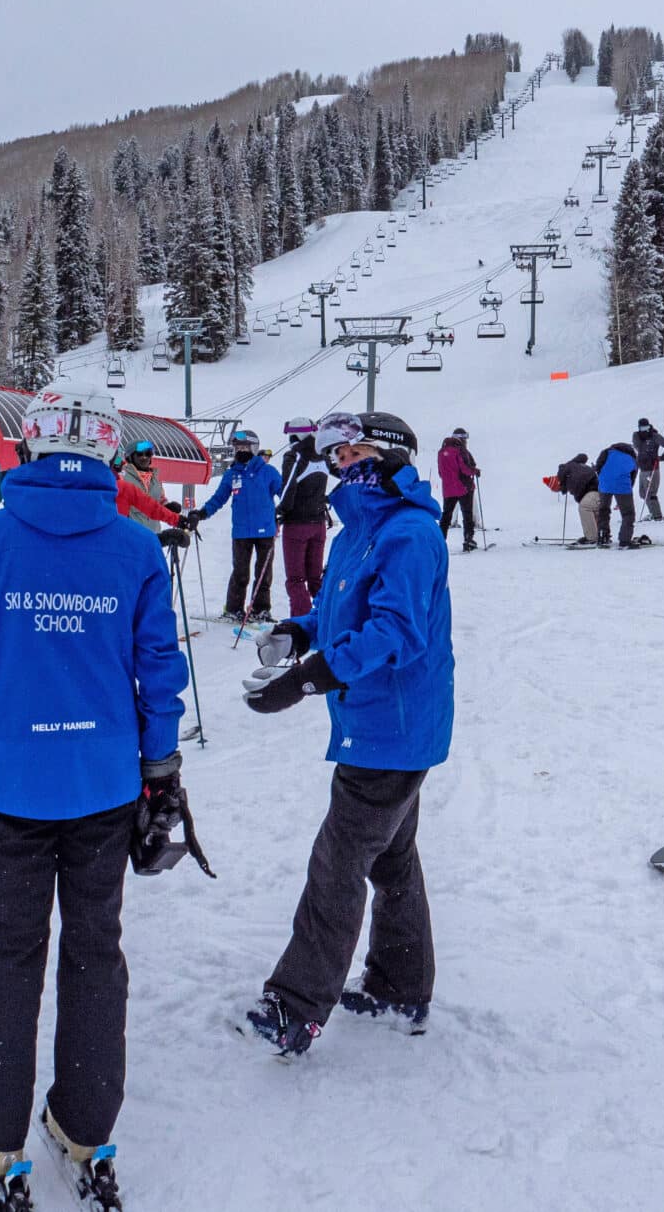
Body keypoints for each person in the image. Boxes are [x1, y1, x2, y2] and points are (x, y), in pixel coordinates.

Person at [0, 385, 188, 1208]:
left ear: (28, 449)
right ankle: (83, 1122)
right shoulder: (137, 547)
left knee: (7, 955)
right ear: (109, 454)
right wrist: (161, 769)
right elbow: (160, 674)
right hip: (103, 786)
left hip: (13, 786)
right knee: (93, 954)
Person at [237, 411, 453, 1057]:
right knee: (391, 860)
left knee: (337, 865)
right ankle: (399, 987)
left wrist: (307, 678)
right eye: (334, 455)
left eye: (355, 451)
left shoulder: (409, 532)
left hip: (392, 727)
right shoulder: (362, 528)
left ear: (390, 454)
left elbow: (395, 632)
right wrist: (299, 631)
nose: (342, 464)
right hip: (379, 724)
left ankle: (296, 1007)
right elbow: (341, 605)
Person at [187, 430, 282, 623]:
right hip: (241, 532)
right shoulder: (232, 474)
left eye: (245, 447)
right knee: (240, 572)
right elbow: (219, 498)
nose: (241, 450)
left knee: (263, 574)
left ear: (254, 448)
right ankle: (233, 609)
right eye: (237, 447)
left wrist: (286, 511)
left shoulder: (268, 472)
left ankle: (261, 609)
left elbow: (285, 493)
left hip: (265, 530)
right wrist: (202, 513)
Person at [276, 419, 332, 617]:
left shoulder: (295, 456)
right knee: (315, 577)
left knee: (296, 579)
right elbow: (344, 476)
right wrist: (326, 498)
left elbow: (288, 487)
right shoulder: (323, 456)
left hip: (296, 524)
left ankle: (301, 622)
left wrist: (281, 511)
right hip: (318, 523)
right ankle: (324, 616)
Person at [435, 427, 481, 552]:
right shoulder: (460, 451)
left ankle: (439, 541)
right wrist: (475, 471)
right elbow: (465, 469)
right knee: (467, 514)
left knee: (446, 515)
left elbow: (440, 472)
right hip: (463, 488)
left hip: (448, 489)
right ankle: (468, 540)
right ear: (461, 438)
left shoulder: (442, 452)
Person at [593, 437, 643, 548]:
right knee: (628, 514)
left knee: (603, 510)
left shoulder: (607, 452)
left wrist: (603, 479)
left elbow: (598, 466)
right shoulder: (632, 458)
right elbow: (633, 477)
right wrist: (627, 491)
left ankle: (602, 536)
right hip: (622, 486)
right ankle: (624, 540)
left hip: (604, 485)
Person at [552, 452, 602, 548]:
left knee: (584, 507)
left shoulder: (566, 470)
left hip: (595, 491)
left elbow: (578, 489)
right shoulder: (579, 466)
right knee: (592, 509)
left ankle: (592, 538)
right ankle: (600, 535)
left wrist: (563, 488)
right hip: (603, 492)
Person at [631, 418, 664, 521]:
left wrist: (663, 456)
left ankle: (657, 516)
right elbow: (639, 448)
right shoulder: (636, 436)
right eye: (642, 427)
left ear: (649, 426)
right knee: (642, 493)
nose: (644, 429)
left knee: (650, 493)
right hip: (642, 469)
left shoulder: (654, 436)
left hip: (653, 468)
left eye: (646, 427)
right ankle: (652, 513)